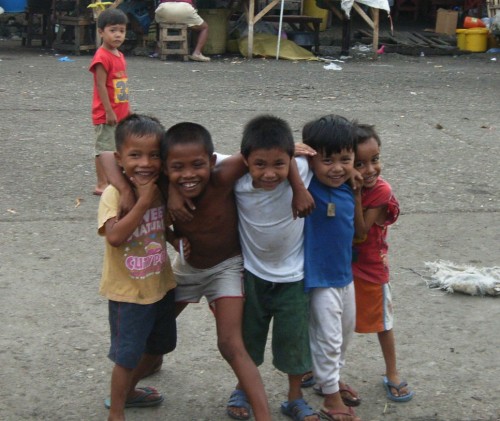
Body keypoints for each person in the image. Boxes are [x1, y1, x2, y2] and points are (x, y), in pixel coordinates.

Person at [160, 122, 272, 421]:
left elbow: (264, 152)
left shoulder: (223, 177)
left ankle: (264, 415)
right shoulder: (159, 182)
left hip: (227, 267)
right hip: (187, 267)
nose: (188, 175)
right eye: (177, 169)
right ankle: (140, 376)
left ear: (211, 161)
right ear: (164, 168)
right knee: (155, 331)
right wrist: (170, 193)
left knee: (230, 343)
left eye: (197, 165)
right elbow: (111, 159)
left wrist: (295, 157)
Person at [230, 115, 319, 421]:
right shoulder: (238, 183)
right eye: (260, 164)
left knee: (294, 343)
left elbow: (337, 163)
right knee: (247, 340)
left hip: (294, 278)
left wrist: (298, 181)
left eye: (279, 164)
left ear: (291, 160)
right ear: (245, 161)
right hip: (253, 277)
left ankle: (294, 398)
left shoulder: (305, 170)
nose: (269, 173)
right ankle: (243, 388)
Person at [98, 114, 177, 421]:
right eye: (135, 155)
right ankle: (117, 411)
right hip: (128, 294)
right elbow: (116, 236)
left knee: (160, 345)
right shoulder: (114, 194)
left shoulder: (160, 188)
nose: (145, 163)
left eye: (154, 155)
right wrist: (142, 201)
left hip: (160, 285)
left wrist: (178, 241)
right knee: (125, 358)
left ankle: (130, 391)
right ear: (120, 159)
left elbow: (161, 228)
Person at [301, 114, 362, 421]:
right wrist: (293, 150)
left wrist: (357, 184)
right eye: (327, 160)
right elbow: (266, 157)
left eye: (345, 159)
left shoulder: (348, 186)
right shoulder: (306, 182)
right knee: (328, 337)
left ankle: (331, 379)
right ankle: (331, 399)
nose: (337, 168)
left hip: (343, 275)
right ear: (311, 158)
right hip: (317, 278)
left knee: (345, 332)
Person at [352, 124, 414, 402]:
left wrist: (353, 194)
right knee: (326, 322)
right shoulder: (333, 180)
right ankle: (319, 370)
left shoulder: (379, 190)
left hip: (370, 266)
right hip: (339, 265)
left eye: (375, 160)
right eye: (359, 163)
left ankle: (392, 372)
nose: (370, 170)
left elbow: (361, 231)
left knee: (383, 322)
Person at [89, 7, 135, 214]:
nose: (118, 35)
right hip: (106, 113)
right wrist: (108, 111)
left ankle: (113, 178)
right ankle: (101, 182)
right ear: (101, 32)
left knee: (117, 146)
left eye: (122, 31)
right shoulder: (102, 57)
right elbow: (100, 86)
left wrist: (128, 109)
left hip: (120, 110)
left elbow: (121, 86)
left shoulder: (119, 55)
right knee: (104, 149)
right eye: (113, 30)